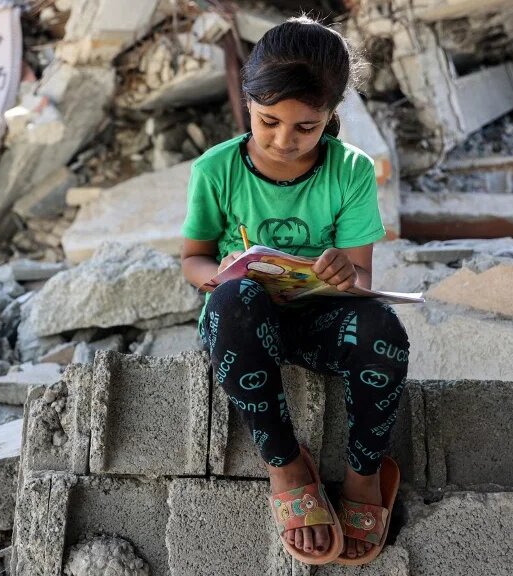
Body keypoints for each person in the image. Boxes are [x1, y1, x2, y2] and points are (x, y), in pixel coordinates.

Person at [180, 16, 410, 565]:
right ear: (248, 102)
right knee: (234, 302)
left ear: (331, 115)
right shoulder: (217, 169)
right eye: (268, 122)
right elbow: (193, 259)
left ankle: (363, 474)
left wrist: (341, 273)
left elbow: (362, 281)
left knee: (384, 328)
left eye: (305, 127)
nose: (284, 140)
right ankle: (285, 463)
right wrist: (221, 273)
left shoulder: (350, 170)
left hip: (318, 324)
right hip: (244, 327)